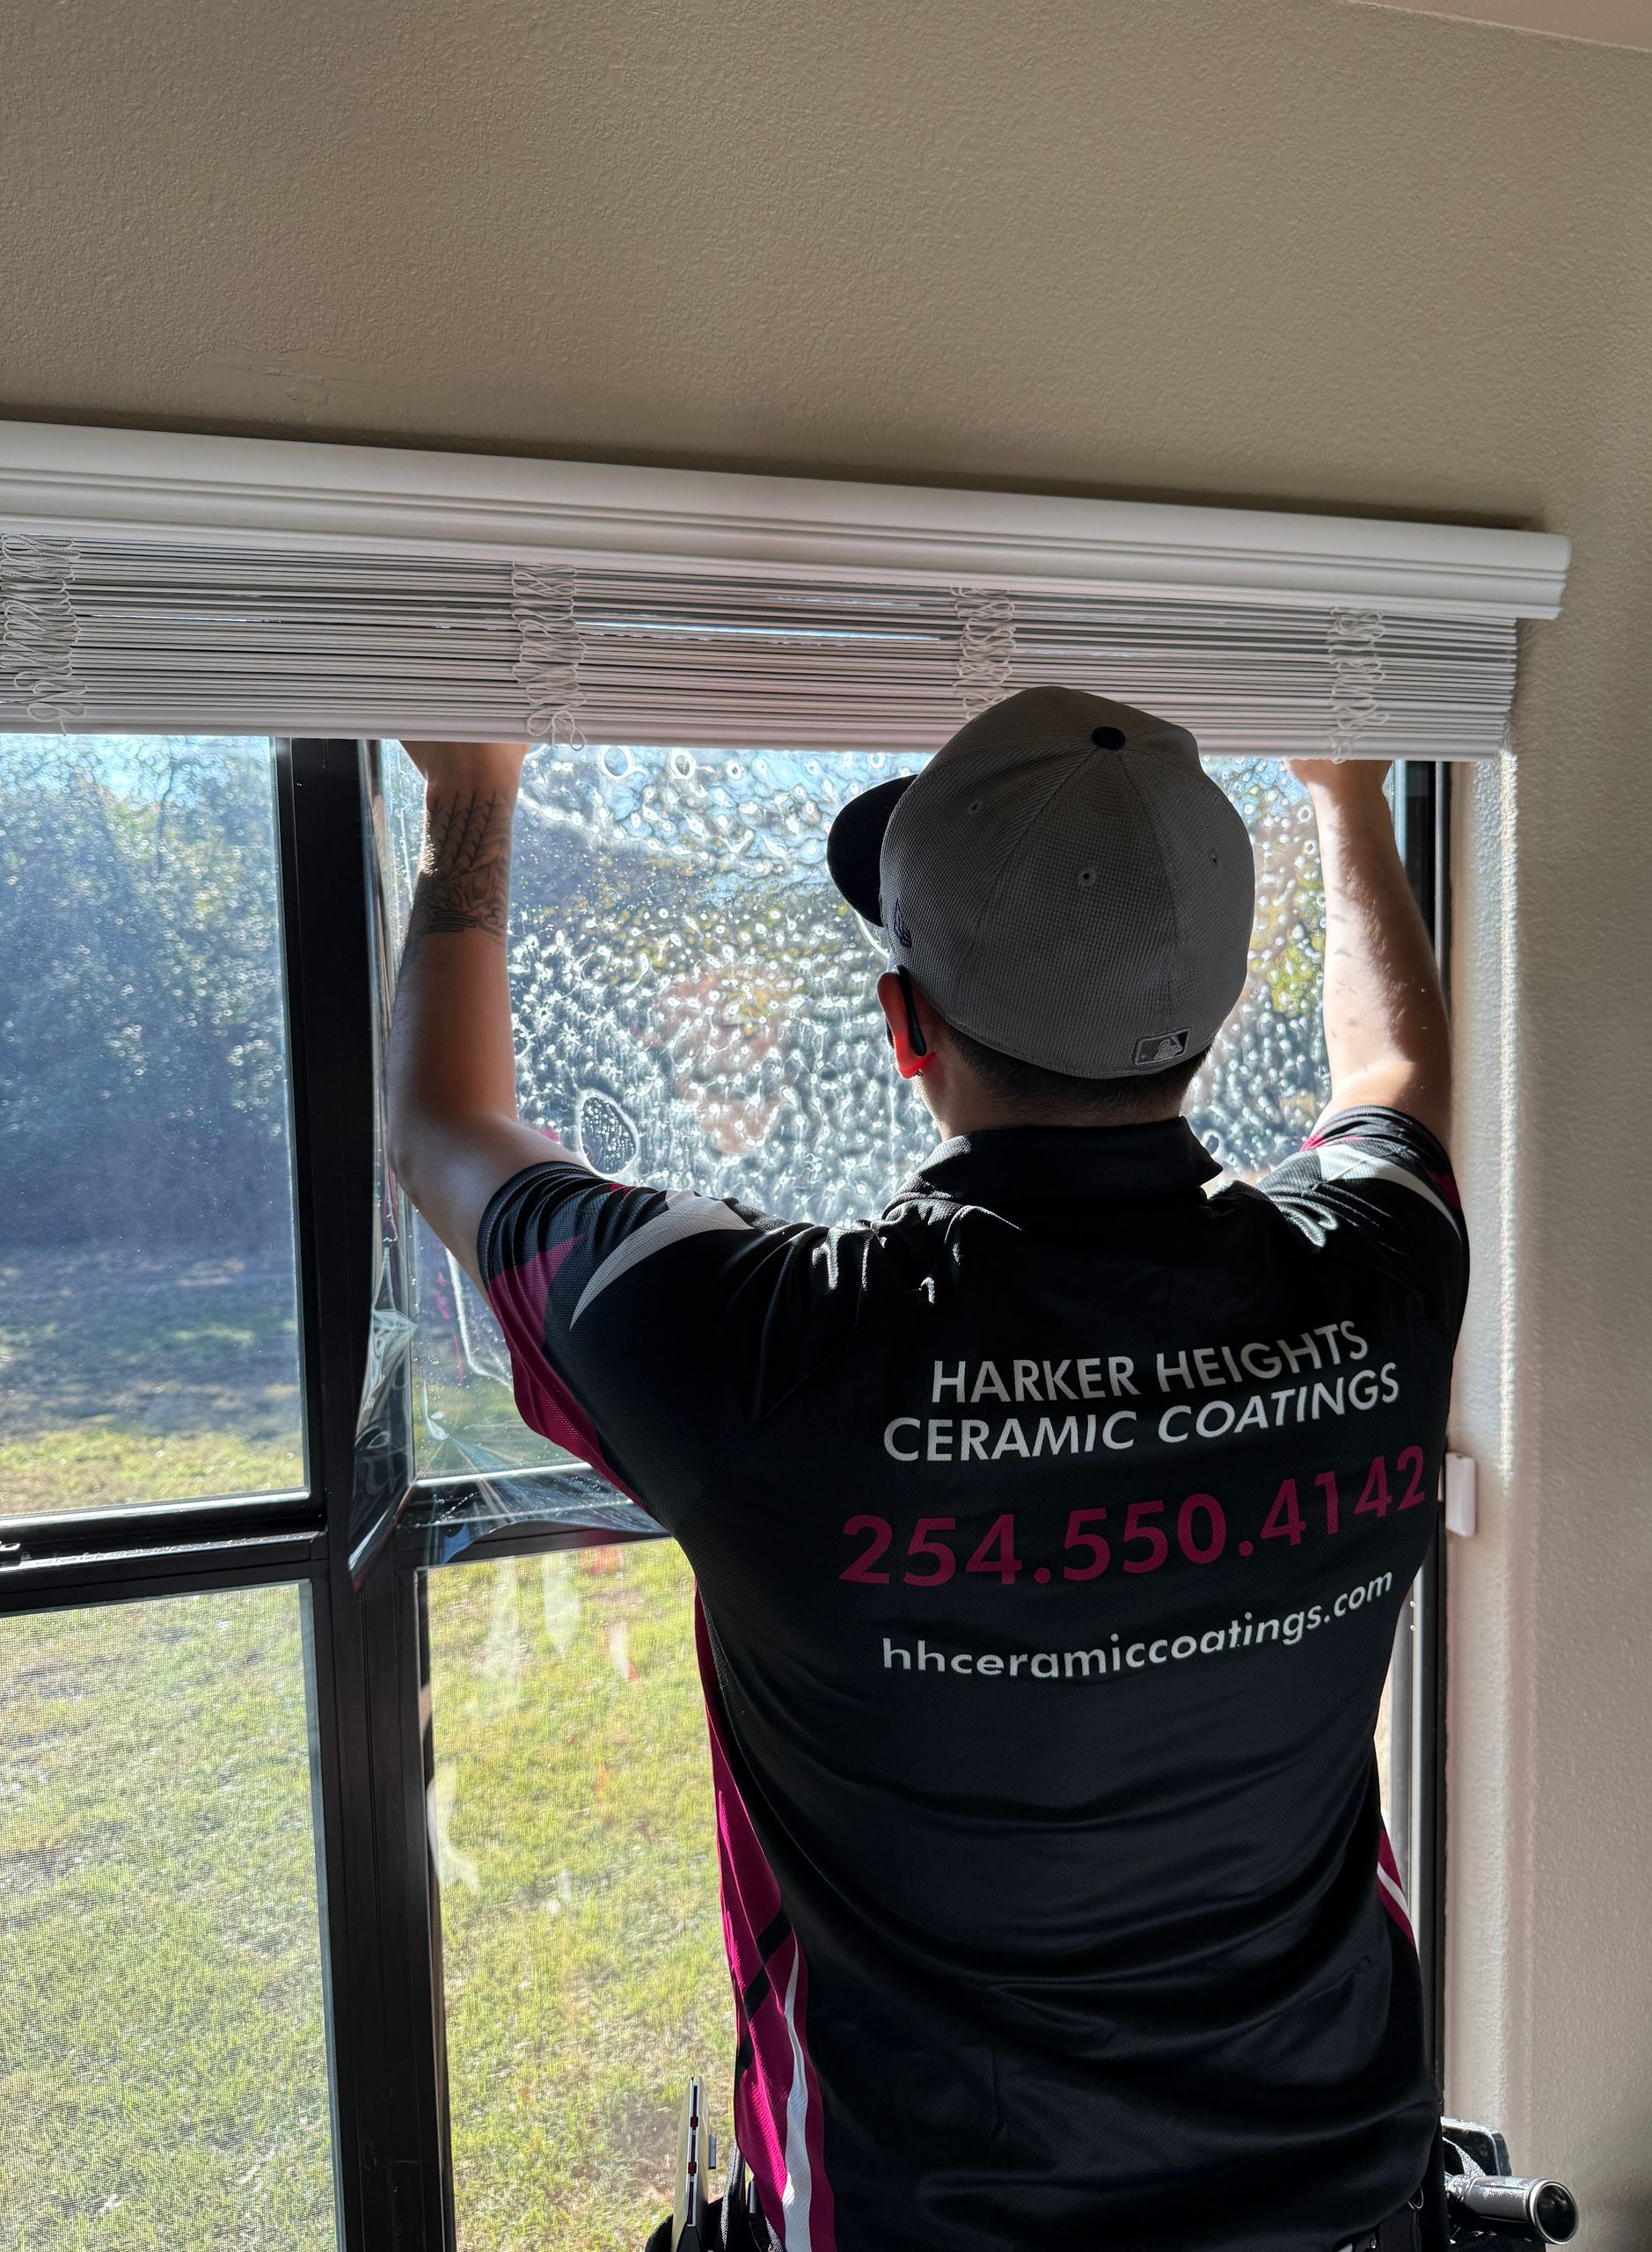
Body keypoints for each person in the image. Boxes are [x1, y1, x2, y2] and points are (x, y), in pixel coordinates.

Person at [388, 686, 1464, 2252]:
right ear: (1217, 1011)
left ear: (903, 1028)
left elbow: (440, 1129)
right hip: (1351, 2198)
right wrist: (1354, 799)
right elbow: (1395, 1085)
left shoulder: (763, 1347)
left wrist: (469, 797)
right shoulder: (1379, 1284)